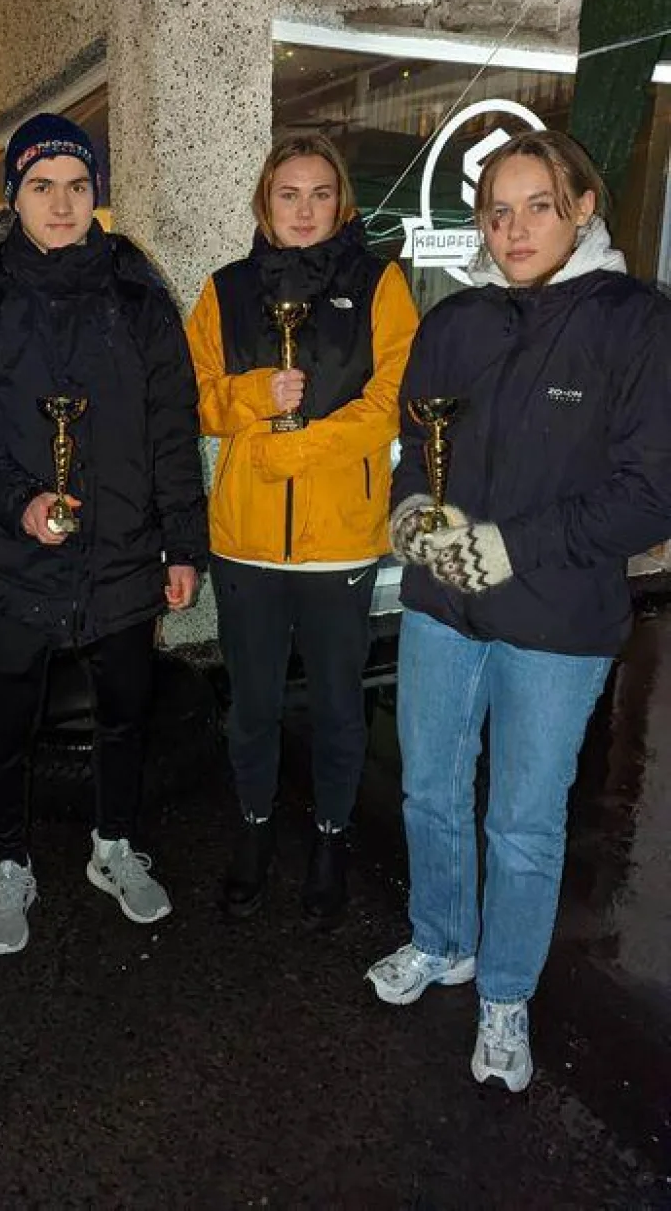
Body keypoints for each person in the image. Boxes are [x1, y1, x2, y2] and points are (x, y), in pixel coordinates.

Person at [365, 129, 671, 1093]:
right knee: (428, 790)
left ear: (583, 207)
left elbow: (652, 493)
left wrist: (512, 544)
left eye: (539, 205)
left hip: (557, 619)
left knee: (524, 825)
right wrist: (410, 512)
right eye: (498, 211)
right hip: (440, 606)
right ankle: (442, 939)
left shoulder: (637, 322)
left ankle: (504, 993)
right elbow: (415, 442)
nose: (516, 228)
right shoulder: (456, 320)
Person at [0, 112, 207, 955]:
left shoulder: (136, 291)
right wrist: (17, 502)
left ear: (95, 195)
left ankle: (112, 843)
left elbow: (171, 425)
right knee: (7, 716)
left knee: (125, 711)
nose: (62, 203)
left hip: (124, 552)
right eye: (42, 185)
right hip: (20, 554)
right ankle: (9, 859)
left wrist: (183, 544)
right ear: (14, 196)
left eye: (78, 186)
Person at [185, 132, 418, 923]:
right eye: (289, 194)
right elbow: (193, 397)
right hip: (244, 541)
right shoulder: (225, 290)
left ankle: (330, 836)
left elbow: (394, 398)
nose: (305, 209)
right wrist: (254, 394)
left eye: (321, 193)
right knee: (251, 704)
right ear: (265, 202)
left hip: (339, 540)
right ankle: (254, 827)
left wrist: (306, 447)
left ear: (341, 202)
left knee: (338, 706)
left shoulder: (380, 284)